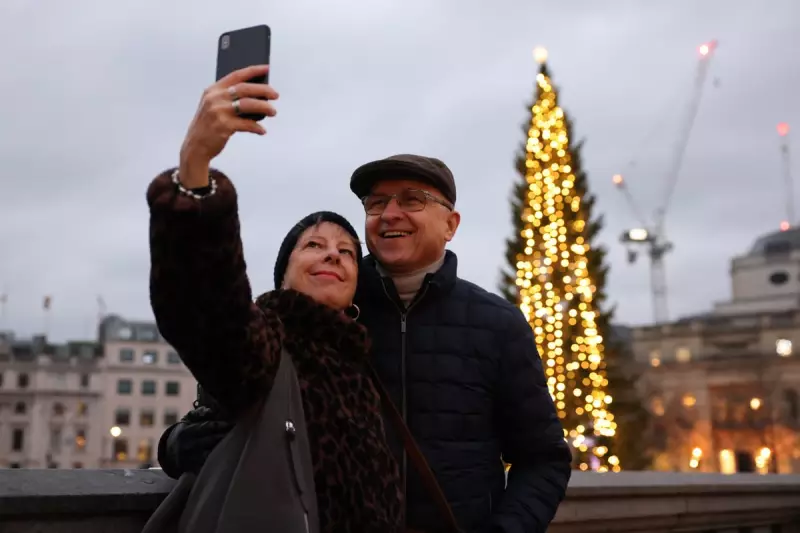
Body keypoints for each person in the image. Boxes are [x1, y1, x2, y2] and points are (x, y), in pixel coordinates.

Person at [159, 78, 573, 532]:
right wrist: (184, 443)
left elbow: (543, 458)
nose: (390, 213)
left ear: (451, 224)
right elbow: (220, 341)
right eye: (377, 203)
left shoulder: (497, 324)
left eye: (412, 200)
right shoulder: (327, 314)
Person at [146, 64, 402, 533]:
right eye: (313, 245)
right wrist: (195, 170)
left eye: (347, 251)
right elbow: (204, 307)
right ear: (283, 276)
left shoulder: (362, 364)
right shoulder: (265, 345)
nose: (333, 255)